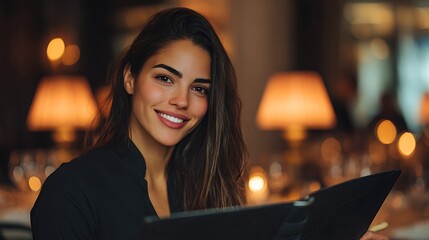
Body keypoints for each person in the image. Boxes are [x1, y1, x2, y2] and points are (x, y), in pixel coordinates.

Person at [30, 7, 388, 240]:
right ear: (129, 78)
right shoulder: (70, 193)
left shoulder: (204, 183)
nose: (182, 100)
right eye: (165, 78)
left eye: (199, 87)